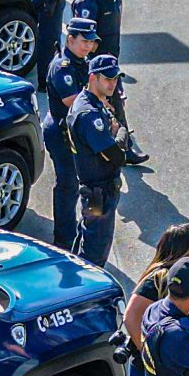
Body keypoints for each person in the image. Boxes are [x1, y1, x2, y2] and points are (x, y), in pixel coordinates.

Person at [123, 221, 189, 376]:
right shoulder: (159, 278)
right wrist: (149, 352)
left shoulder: (181, 277)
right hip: (150, 373)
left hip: (172, 370)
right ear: (188, 250)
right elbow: (130, 317)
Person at [64, 53, 130, 267]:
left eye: (115, 79)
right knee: (95, 252)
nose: (113, 84)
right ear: (93, 78)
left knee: (86, 239)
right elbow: (116, 155)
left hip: (96, 190)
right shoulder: (89, 114)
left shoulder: (93, 102)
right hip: (98, 193)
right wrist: (120, 131)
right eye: (108, 79)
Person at [41, 10, 98, 249]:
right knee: (67, 184)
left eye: (91, 42)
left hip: (73, 131)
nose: (88, 46)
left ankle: (69, 230)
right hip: (60, 131)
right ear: (70, 39)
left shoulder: (80, 63)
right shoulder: (62, 67)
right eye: (84, 41)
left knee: (74, 182)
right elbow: (71, 101)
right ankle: (63, 238)